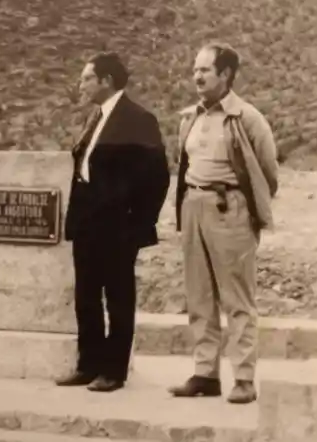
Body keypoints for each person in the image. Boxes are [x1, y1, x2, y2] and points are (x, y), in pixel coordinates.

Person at [167, 43, 278, 405]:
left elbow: (267, 173)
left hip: (229, 208)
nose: (197, 76)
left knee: (237, 297)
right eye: (195, 70)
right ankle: (205, 374)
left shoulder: (247, 117)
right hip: (193, 204)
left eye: (205, 70)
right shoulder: (190, 117)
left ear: (226, 74)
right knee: (198, 295)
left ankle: (244, 378)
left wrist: (244, 208)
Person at [55, 52, 170, 393]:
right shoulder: (96, 117)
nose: (82, 84)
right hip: (89, 223)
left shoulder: (138, 119)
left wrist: (139, 225)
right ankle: (88, 364)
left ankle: (114, 371)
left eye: (87, 78)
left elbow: (157, 177)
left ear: (106, 81)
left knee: (118, 298)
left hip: (119, 228)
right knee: (86, 296)